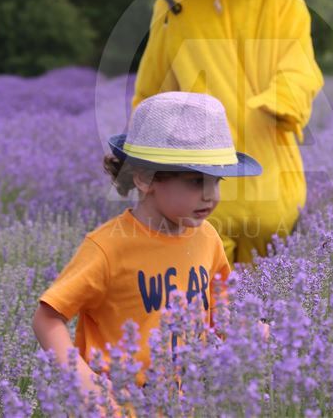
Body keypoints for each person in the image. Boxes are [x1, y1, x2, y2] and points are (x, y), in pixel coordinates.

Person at [134, 0, 325, 265]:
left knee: (270, 278)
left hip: (267, 165)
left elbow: (300, 63)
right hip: (194, 174)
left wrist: (285, 98)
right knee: (200, 278)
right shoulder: (174, 5)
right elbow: (153, 85)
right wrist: (142, 151)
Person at [32, 91, 262, 404]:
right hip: (118, 405)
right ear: (144, 179)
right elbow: (46, 318)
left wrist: (251, 330)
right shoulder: (109, 247)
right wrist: (82, 380)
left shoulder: (208, 238)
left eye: (217, 181)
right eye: (196, 181)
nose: (212, 196)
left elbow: (221, 309)